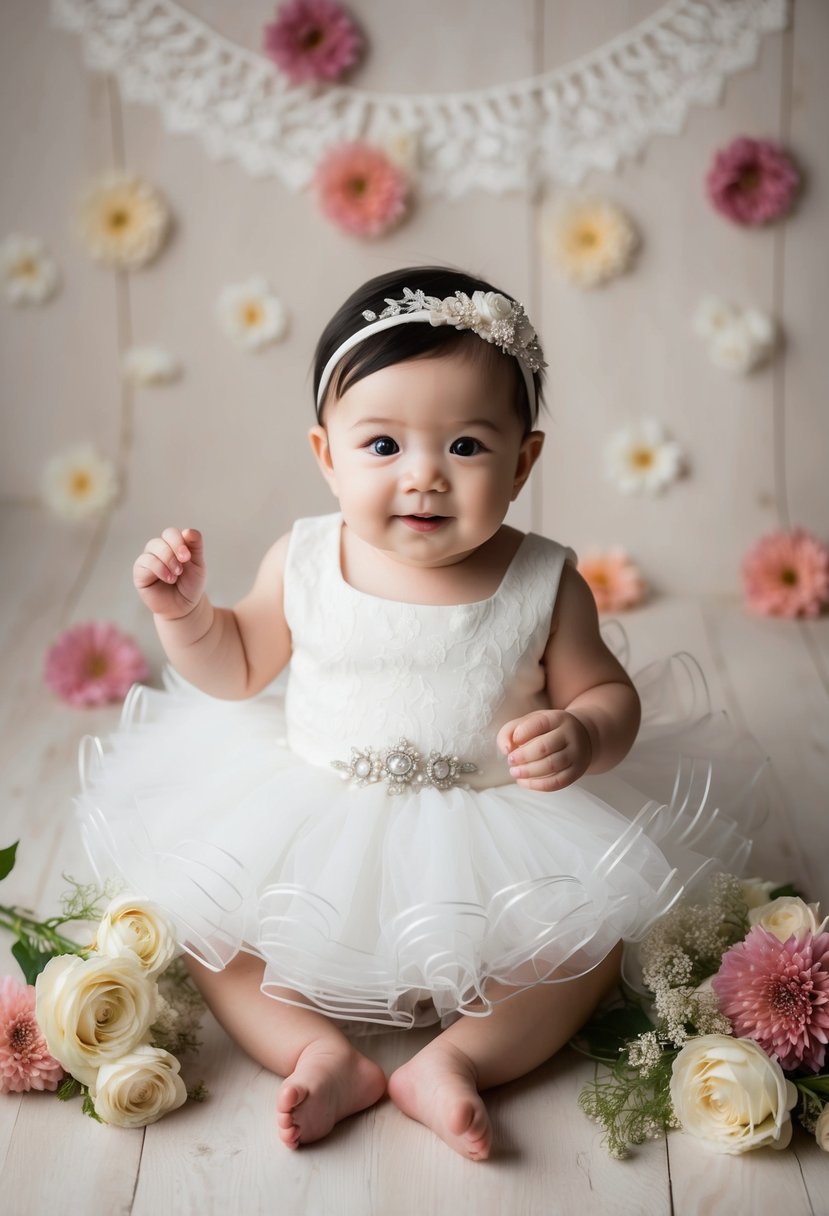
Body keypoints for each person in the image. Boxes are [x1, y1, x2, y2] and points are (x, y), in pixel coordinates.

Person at [76, 265, 765, 1160]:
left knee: (588, 948)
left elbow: (606, 693)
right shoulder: (307, 558)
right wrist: (186, 616)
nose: (425, 478)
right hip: (313, 813)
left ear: (524, 461)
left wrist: (586, 730)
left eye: (467, 447)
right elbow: (239, 665)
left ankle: (454, 1062)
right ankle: (318, 1054)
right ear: (326, 455)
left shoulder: (544, 580)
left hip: (497, 833)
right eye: (383, 446)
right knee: (210, 928)